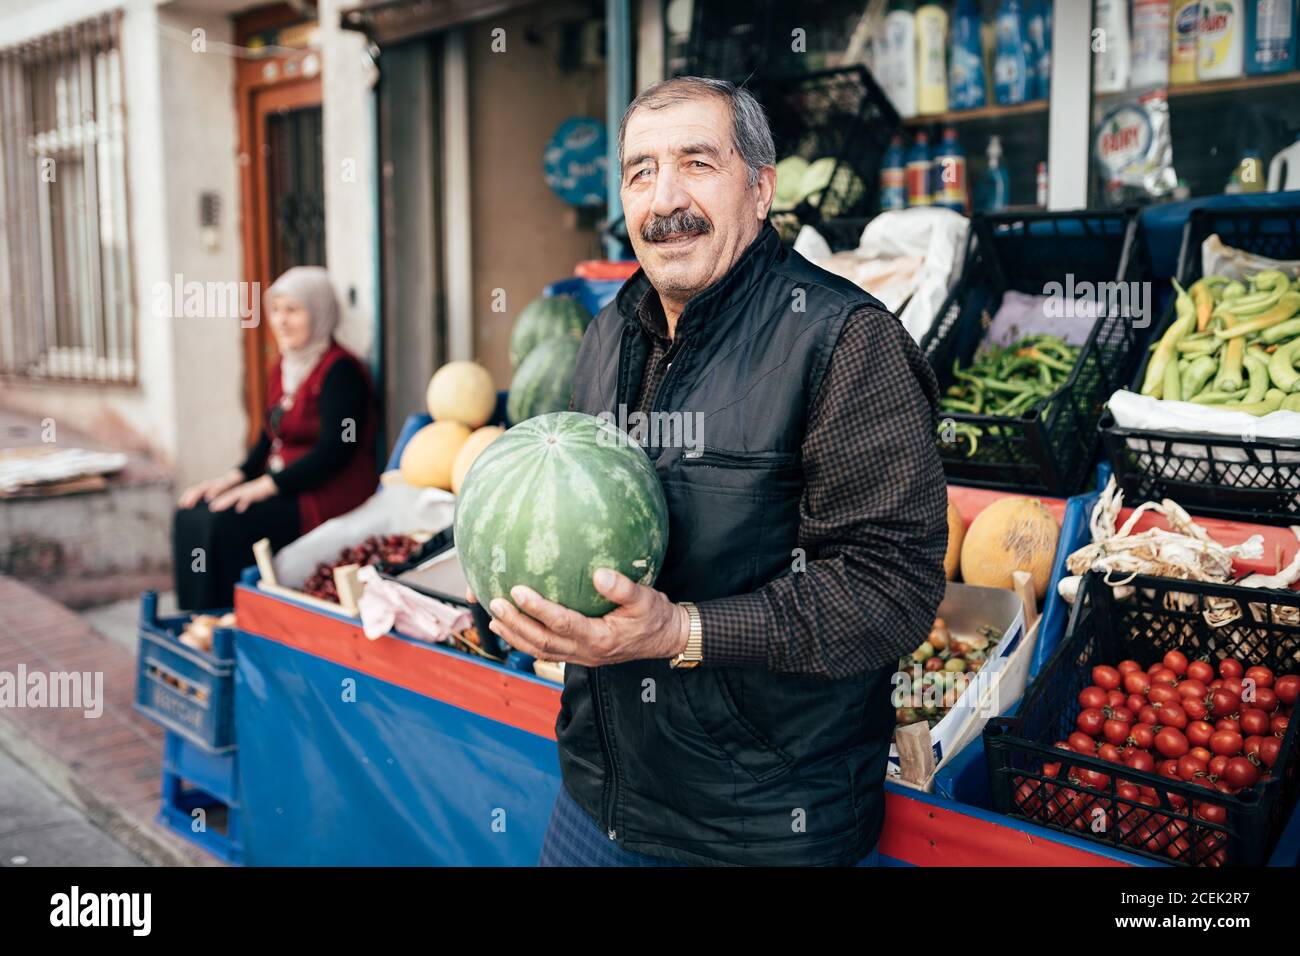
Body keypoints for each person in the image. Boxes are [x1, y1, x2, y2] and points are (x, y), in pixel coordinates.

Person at [478, 77, 949, 866]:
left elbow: (890, 590)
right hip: (599, 801)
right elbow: (573, 520)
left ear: (761, 190)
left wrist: (680, 631)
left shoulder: (842, 341)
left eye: (697, 164)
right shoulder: (605, 337)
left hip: (760, 828)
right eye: (640, 172)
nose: (665, 200)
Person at [173, 266, 377, 610]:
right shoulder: (284, 366)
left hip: (327, 490)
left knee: (226, 522)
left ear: (320, 313)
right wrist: (228, 481)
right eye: (276, 310)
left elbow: (335, 452)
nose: (281, 321)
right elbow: (268, 438)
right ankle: (197, 622)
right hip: (287, 483)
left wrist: (264, 487)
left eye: (293, 310)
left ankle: (229, 621)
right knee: (193, 510)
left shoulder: (340, 371)